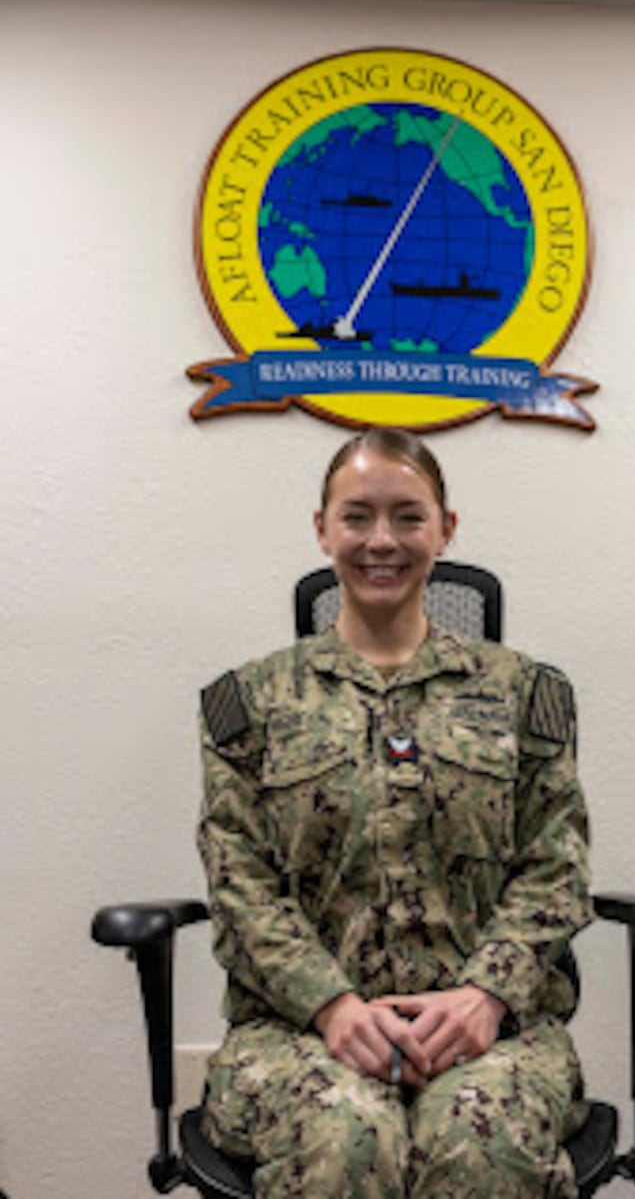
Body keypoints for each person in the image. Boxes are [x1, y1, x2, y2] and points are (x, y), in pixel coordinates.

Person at [197, 427, 592, 1199]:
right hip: (297, 1035)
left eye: (409, 516)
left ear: (446, 530)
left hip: (492, 1033)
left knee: (477, 1138)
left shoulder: (524, 695)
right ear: (322, 529)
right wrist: (332, 1006)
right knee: (346, 1135)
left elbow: (556, 868)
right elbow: (240, 884)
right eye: (357, 516)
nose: (382, 540)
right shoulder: (251, 704)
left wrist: (485, 997)